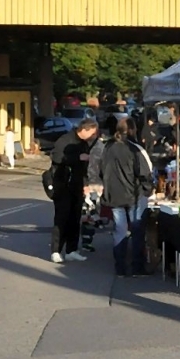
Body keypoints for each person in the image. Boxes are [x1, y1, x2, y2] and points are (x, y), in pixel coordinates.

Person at [96, 116, 153, 276]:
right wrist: (148, 190)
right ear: (133, 130)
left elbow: (101, 170)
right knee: (137, 231)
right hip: (133, 194)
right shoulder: (134, 148)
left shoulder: (107, 147)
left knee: (120, 231)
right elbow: (145, 173)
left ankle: (120, 267)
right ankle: (137, 267)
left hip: (114, 195)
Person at [49, 118, 99, 263]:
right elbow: (57, 158)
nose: (93, 136)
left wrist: (85, 183)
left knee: (75, 218)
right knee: (61, 218)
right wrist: (77, 157)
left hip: (77, 185)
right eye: (92, 133)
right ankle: (56, 250)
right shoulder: (65, 140)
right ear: (85, 129)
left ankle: (72, 250)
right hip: (63, 185)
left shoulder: (84, 143)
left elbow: (82, 168)